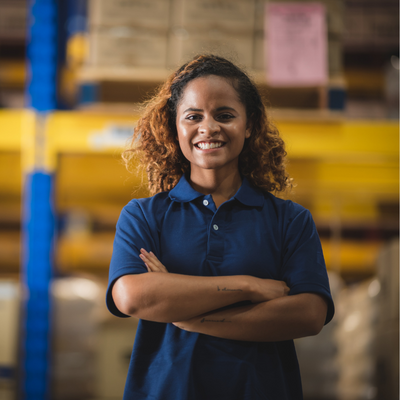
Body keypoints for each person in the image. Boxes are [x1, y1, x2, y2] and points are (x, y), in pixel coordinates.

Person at [106, 54, 334, 400]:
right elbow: (132, 296)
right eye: (193, 116)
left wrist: (185, 314)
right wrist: (249, 286)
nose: (207, 128)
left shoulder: (290, 220)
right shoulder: (144, 216)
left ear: (250, 125)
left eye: (224, 115)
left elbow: (309, 314)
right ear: (176, 127)